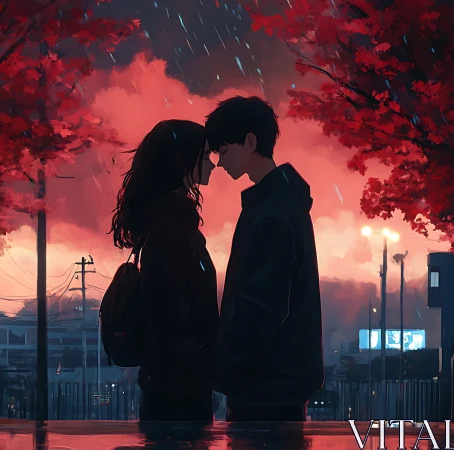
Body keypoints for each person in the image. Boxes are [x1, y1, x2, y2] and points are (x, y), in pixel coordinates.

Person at [204, 96, 325, 422]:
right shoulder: (281, 205)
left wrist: (225, 364)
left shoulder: (272, 214)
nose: (219, 161)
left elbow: (263, 303)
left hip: (265, 385)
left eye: (224, 149)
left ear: (250, 142)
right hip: (277, 380)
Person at [110, 119, 220, 422]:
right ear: (180, 160)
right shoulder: (172, 226)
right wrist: (202, 356)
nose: (213, 165)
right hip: (179, 389)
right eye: (205, 156)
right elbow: (170, 312)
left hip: (172, 382)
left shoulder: (166, 221)